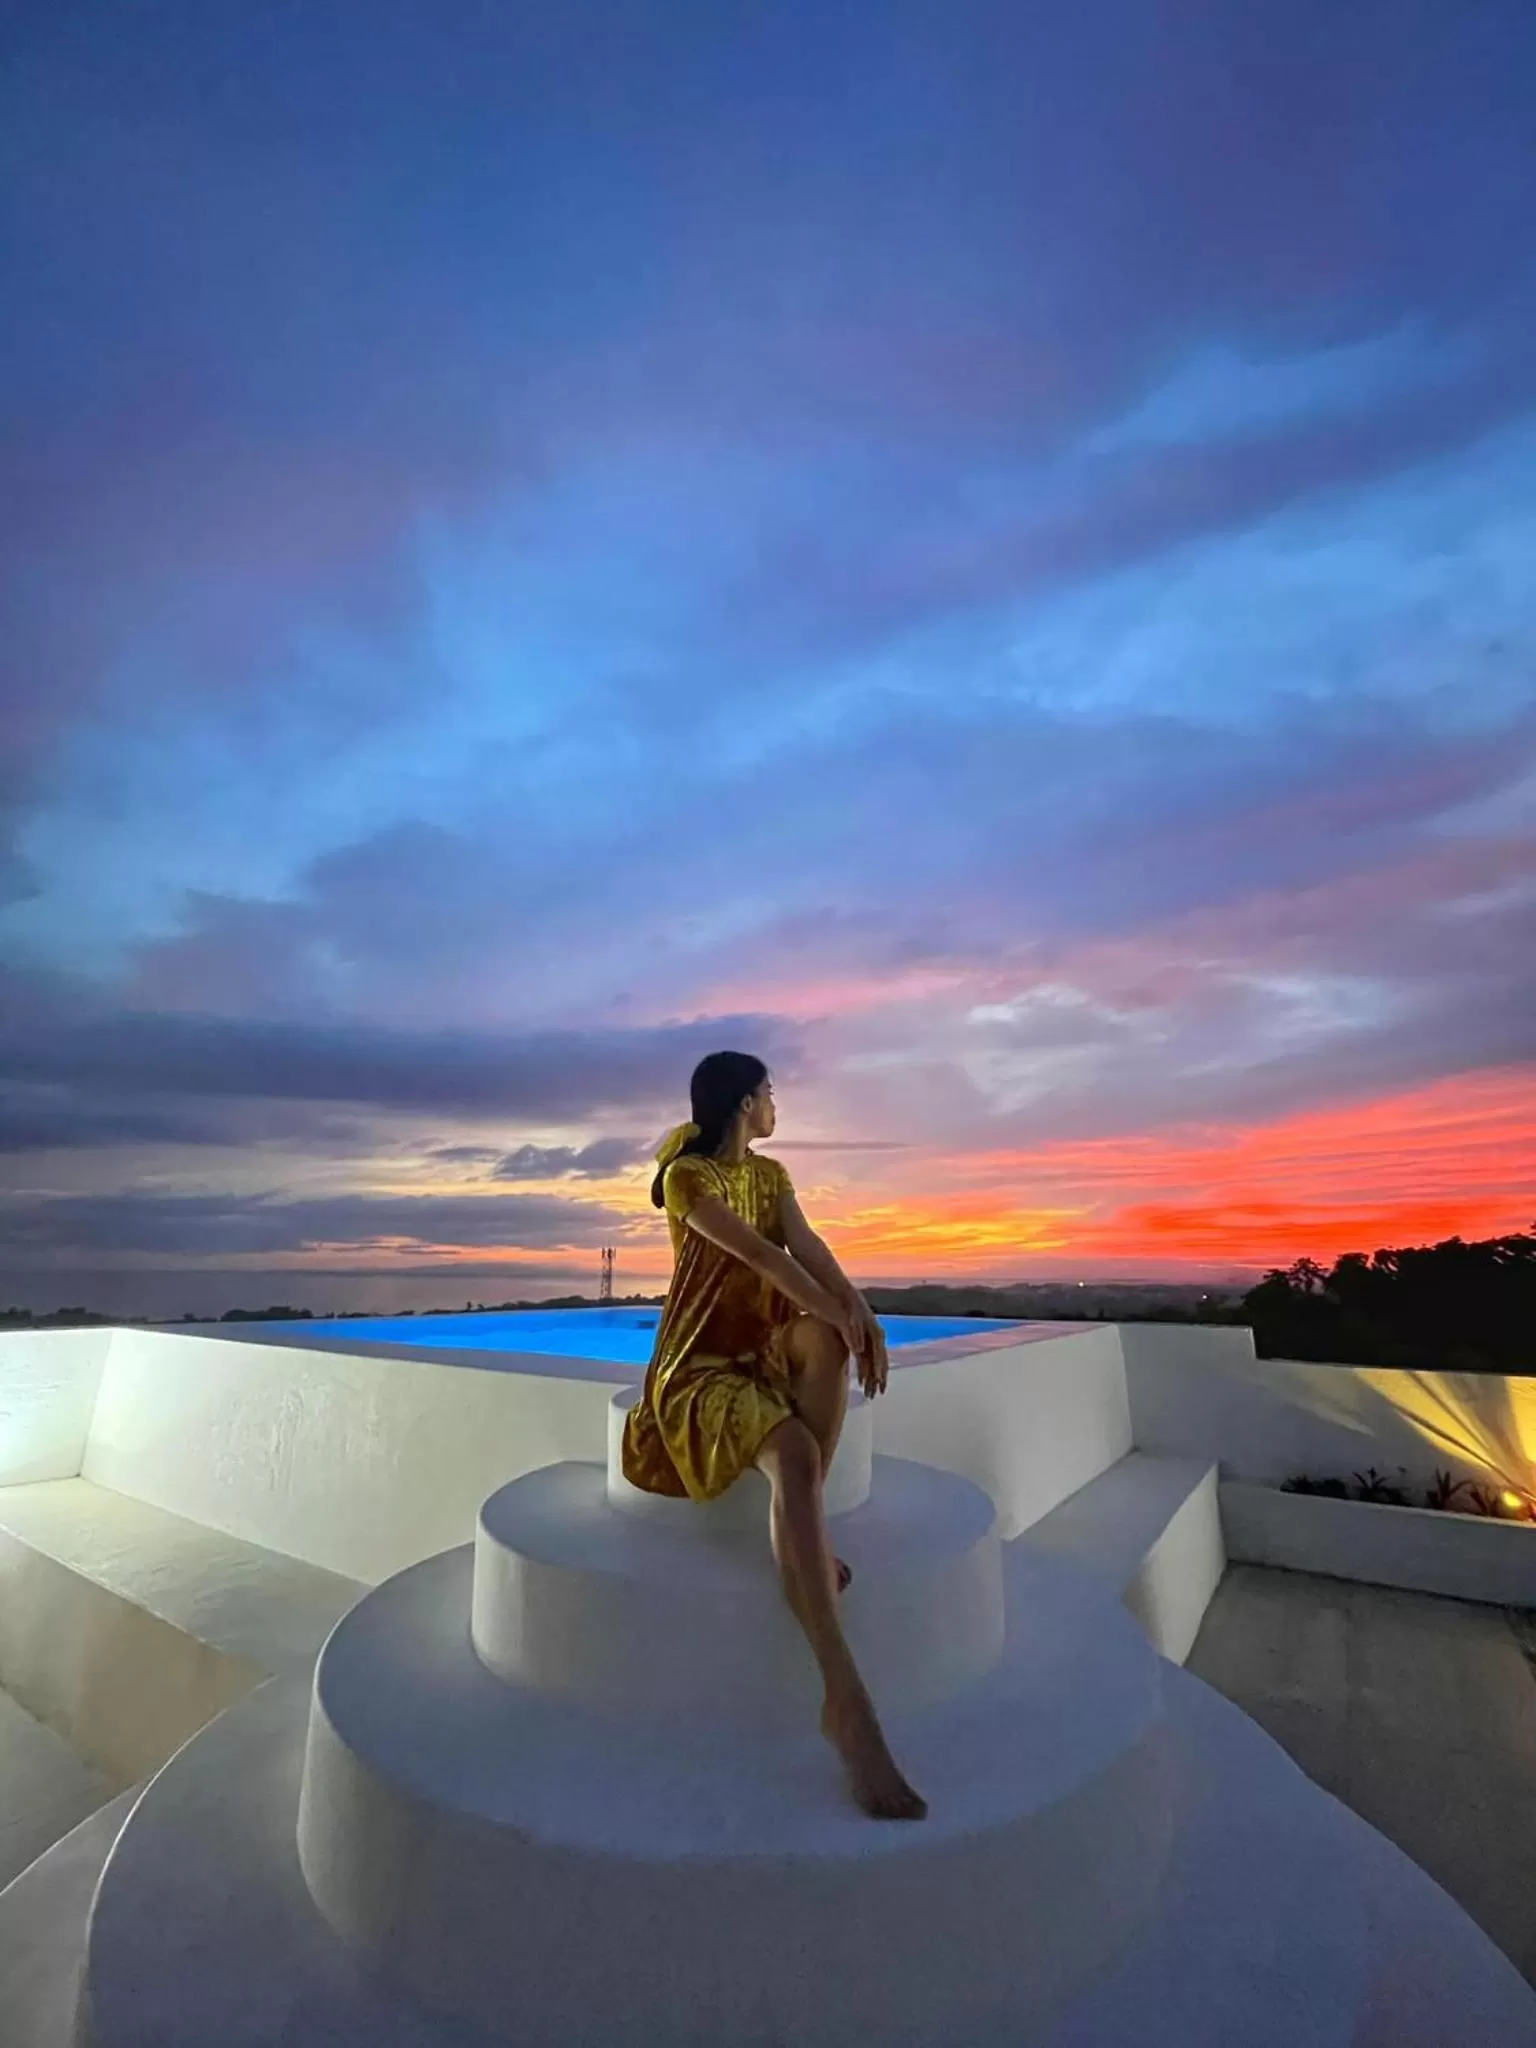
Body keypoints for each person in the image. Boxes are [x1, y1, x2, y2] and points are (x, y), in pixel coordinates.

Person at [622, 1050, 926, 1822]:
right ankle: (846, 1702)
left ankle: (807, 1533)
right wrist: (839, 1314)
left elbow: (808, 1247)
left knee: (825, 1345)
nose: (777, 1106)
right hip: (698, 1366)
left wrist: (857, 1315)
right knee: (792, 1448)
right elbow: (756, 1254)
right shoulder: (690, 1180)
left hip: (761, 1350)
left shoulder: (774, 1176)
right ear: (743, 1102)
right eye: (770, 1094)